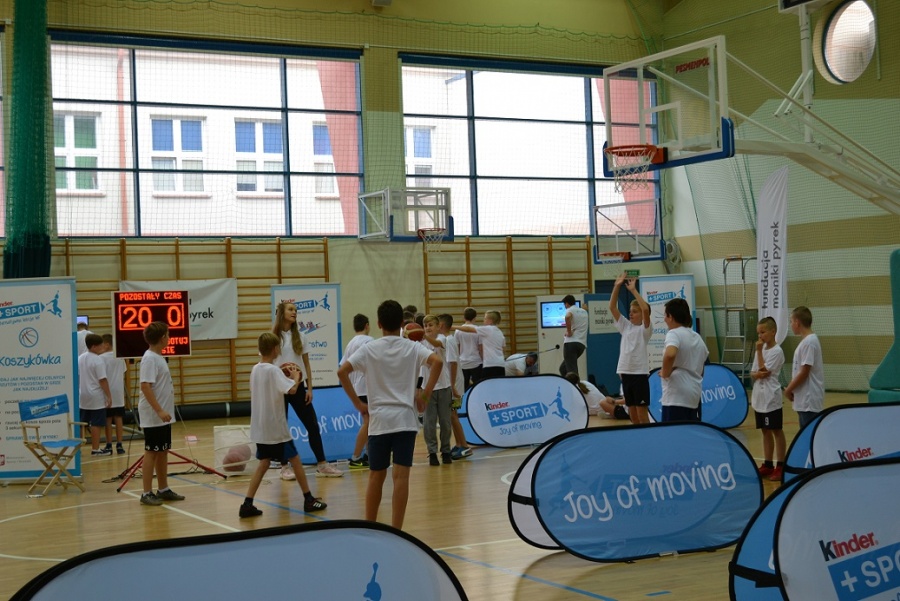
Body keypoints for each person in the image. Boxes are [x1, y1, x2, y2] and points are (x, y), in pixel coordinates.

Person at [337, 300, 442, 529]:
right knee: (401, 477)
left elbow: (342, 372)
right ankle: (397, 530)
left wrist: (358, 403)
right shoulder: (412, 347)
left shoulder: (369, 348)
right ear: (402, 324)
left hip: (380, 421)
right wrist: (425, 395)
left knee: (376, 476)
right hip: (405, 420)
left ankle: (370, 527)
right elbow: (437, 361)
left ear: (378, 323)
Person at [239, 333, 327, 518]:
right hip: (276, 429)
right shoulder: (273, 371)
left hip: (260, 428)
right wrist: (295, 377)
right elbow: (292, 390)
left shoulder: (255, 369)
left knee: (263, 463)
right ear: (275, 349)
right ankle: (309, 499)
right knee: (295, 460)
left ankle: (247, 504)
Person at [273, 301, 343, 479]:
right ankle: (284, 467)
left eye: (296, 310)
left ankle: (322, 465)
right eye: (290, 309)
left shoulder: (301, 337)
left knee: (312, 425)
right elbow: (267, 363)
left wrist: (309, 388)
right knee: (281, 428)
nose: (294, 312)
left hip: (298, 387)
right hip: (278, 388)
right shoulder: (272, 337)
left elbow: (306, 364)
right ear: (281, 313)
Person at [138, 321, 186, 506]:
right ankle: (146, 493)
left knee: (163, 450)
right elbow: (145, 386)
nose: (169, 338)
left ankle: (163, 488)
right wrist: (158, 410)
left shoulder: (158, 357)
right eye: (168, 335)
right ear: (162, 337)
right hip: (154, 415)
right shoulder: (149, 358)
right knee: (151, 451)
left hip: (163, 415)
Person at [608, 274, 653, 424]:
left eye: (635, 311)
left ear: (642, 315)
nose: (630, 313)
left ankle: (648, 436)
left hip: (639, 375)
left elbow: (645, 309)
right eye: (630, 311)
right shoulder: (625, 326)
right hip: (625, 374)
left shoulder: (645, 329)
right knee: (632, 414)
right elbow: (612, 307)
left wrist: (633, 290)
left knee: (641, 413)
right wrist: (617, 286)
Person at [659, 298, 708, 422]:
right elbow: (701, 371)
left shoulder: (674, 334)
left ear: (671, 317)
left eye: (665, 315)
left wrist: (665, 372)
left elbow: (670, 354)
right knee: (690, 432)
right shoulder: (698, 338)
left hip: (676, 397)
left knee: (673, 433)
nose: (664, 319)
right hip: (694, 396)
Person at [750, 317, 786, 481]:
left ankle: (781, 465)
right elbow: (753, 372)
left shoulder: (777, 351)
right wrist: (757, 373)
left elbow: (764, 372)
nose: (760, 336)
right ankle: (768, 463)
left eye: (763, 332)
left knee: (776, 430)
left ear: (773, 332)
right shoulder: (761, 349)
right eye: (758, 333)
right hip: (759, 397)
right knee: (764, 431)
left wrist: (758, 353)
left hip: (771, 397)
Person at [341, 314, 374, 469]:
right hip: (366, 387)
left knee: (369, 423)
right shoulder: (369, 341)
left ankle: (368, 455)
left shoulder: (350, 344)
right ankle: (355, 457)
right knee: (369, 422)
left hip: (357, 388)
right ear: (367, 325)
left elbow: (342, 365)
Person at [784, 306, 825, 429]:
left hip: (808, 400)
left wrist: (788, 390)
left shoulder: (809, 342)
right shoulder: (807, 341)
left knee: (808, 434)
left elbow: (804, 372)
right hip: (803, 399)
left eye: (791, 321)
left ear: (797, 322)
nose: (791, 325)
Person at [420, 314, 453, 465]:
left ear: (438, 326)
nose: (427, 328)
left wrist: (424, 336)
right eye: (425, 326)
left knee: (445, 422)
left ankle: (446, 450)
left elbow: (437, 343)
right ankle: (432, 452)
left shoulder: (442, 338)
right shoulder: (420, 343)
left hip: (444, 387)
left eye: (430, 325)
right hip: (427, 388)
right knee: (429, 422)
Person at [438, 314, 472, 460]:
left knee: (453, 415)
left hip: (455, 384)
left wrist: (452, 386)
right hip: (453, 382)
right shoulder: (446, 340)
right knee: (452, 415)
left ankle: (465, 446)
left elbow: (452, 363)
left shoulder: (449, 340)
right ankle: (459, 444)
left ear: (441, 325)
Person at [78, 333, 113, 456]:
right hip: (96, 396)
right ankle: (95, 449)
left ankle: (78, 449)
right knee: (96, 423)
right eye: (100, 345)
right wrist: (109, 396)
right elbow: (102, 380)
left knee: (82, 423)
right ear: (93, 347)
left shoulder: (80, 358)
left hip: (82, 394)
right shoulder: (98, 360)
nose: (103, 347)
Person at [455, 310, 505, 380]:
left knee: (485, 385)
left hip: (490, 365)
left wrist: (452, 327)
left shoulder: (487, 329)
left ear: (490, 321)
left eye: (485, 318)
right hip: (501, 364)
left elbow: (468, 328)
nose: (483, 320)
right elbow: (503, 349)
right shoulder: (500, 332)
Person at [100, 334, 128, 455]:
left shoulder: (101, 358)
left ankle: (109, 444)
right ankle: (120, 444)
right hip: (119, 391)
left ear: (107, 344)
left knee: (108, 419)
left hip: (107, 391)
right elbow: (124, 371)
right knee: (118, 418)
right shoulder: (120, 357)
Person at [563, 372, 628, 419]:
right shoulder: (585, 382)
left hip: (595, 410)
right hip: (605, 405)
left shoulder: (575, 390)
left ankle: (610, 414)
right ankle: (609, 413)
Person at [559, 294, 589, 377]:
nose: (565, 307)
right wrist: (584, 309)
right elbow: (580, 314)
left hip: (571, 344)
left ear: (567, 303)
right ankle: (568, 382)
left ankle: (575, 384)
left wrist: (569, 332)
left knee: (572, 372)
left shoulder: (570, 310)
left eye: (565, 304)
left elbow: (567, 317)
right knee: (563, 369)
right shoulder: (584, 311)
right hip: (581, 345)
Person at [456, 307, 482, 389]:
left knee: (463, 388)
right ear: (475, 318)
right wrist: (483, 360)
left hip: (463, 362)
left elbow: (457, 348)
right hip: (476, 361)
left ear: (464, 317)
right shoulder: (478, 330)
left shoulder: (458, 331)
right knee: (477, 387)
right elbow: (480, 348)